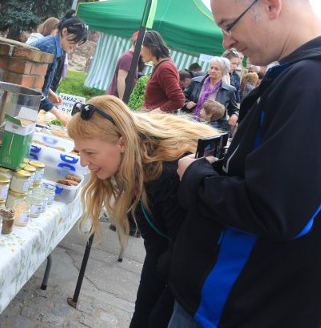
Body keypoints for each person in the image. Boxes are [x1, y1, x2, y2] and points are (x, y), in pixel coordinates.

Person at [171, 0, 321, 328]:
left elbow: (274, 212)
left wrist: (196, 176)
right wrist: (223, 168)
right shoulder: (303, 76)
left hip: (233, 308)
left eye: (229, 25)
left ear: (270, 4)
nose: (226, 42)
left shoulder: (317, 84)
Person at [67, 95, 217, 328]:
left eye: (90, 152)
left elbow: (182, 256)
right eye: (80, 152)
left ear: (122, 142)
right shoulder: (135, 162)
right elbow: (157, 248)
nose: (83, 163)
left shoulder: (165, 172)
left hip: (201, 280)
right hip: (173, 260)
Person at [30, 10, 88, 125]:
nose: (76, 46)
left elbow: (41, 80)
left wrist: (50, 93)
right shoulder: (49, 47)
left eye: (79, 42)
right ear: (65, 31)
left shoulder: (57, 47)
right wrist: (59, 114)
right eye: (75, 40)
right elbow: (35, 88)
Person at [183, 56, 239, 131]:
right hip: (189, 122)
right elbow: (182, 97)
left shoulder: (229, 90)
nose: (212, 70)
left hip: (211, 128)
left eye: (216, 69)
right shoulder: (195, 82)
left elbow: (234, 109)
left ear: (223, 72)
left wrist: (235, 115)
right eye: (211, 67)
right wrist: (187, 103)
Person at [139, 31, 184, 112]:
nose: (140, 53)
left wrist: (153, 113)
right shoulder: (159, 65)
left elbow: (178, 100)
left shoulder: (165, 68)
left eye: (142, 48)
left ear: (150, 47)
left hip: (158, 121)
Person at [107, 31, 145, 99]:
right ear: (137, 43)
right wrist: (122, 101)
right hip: (116, 99)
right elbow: (121, 79)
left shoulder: (133, 57)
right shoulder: (128, 57)